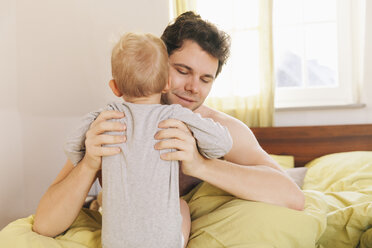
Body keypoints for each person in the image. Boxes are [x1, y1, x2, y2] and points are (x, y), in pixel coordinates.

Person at [32, 11, 304, 243]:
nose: (192, 88)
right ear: (160, 65)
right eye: (183, 71)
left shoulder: (217, 128)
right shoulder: (113, 124)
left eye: (205, 79)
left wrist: (201, 165)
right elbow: (45, 223)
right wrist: (90, 163)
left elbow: (292, 196)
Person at [63, 32, 232, 248]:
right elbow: (222, 144)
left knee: (107, 202)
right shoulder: (174, 115)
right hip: (164, 242)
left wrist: (87, 159)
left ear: (115, 87)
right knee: (181, 206)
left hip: (115, 242)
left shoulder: (105, 117)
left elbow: (71, 146)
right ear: (166, 84)